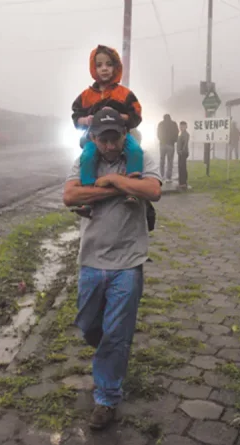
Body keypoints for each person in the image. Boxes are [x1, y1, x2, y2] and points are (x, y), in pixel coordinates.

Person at [62, 108, 162, 430]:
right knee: (90, 325)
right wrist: (119, 189)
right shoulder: (84, 161)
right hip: (91, 259)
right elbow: (70, 195)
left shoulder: (141, 158)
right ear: (93, 138)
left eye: (114, 138)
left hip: (128, 261)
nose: (108, 145)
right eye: (102, 139)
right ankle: (110, 353)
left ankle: (106, 398)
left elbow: (153, 191)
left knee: (116, 334)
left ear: (124, 135)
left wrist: (116, 179)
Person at [71, 44, 144, 218]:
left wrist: (122, 117)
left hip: (121, 136)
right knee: (87, 156)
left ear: (116, 67)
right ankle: (88, 196)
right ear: (93, 68)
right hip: (95, 138)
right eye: (99, 65)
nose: (104, 69)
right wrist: (85, 120)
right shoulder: (86, 96)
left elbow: (137, 114)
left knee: (135, 150)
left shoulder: (124, 94)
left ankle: (132, 189)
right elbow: (76, 116)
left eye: (109, 64)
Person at [157, 114, 179, 181]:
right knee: (170, 161)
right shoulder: (174, 124)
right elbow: (177, 133)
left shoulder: (160, 124)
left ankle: (161, 175)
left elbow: (158, 133)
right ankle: (168, 177)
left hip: (162, 145)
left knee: (162, 161)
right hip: (171, 145)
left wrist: (161, 140)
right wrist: (174, 140)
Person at [177, 121, 190, 190]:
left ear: (185, 126)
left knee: (182, 167)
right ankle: (181, 182)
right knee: (180, 167)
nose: (181, 128)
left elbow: (185, 144)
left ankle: (183, 183)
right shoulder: (181, 133)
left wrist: (181, 151)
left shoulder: (185, 134)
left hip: (183, 153)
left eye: (182, 126)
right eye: (180, 126)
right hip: (180, 153)